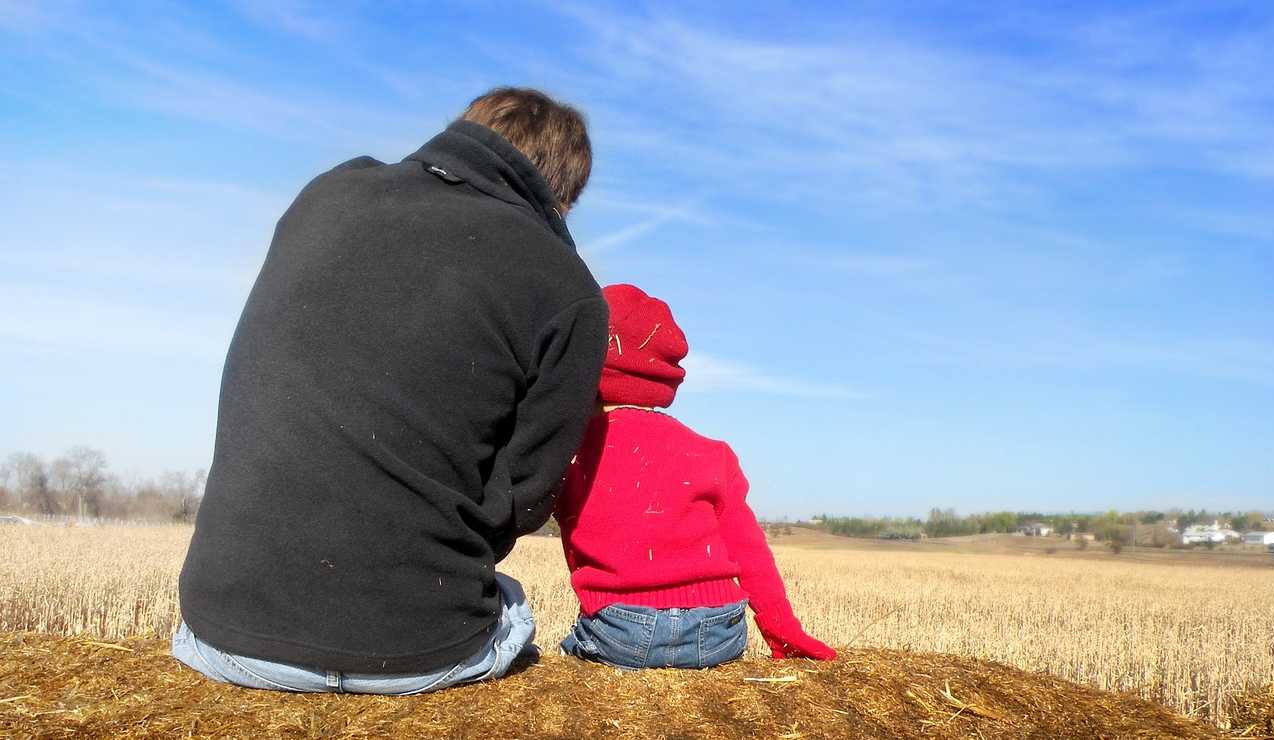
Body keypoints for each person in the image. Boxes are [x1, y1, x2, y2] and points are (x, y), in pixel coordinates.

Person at [173, 88, 608, 694]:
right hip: (417, 650)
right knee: (512, 604)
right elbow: (525, 499)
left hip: (219, 634)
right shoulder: (570, 290)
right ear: (562, 195)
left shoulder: (327, 193)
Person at [555, 284, 837, 669]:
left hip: (623, 629)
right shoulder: (712, 454)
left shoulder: (571, 453)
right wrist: (782, 629)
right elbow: (749, 551)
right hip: (721, 629)